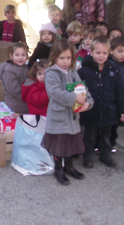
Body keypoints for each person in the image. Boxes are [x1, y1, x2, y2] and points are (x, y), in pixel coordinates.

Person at [42, 39, 93, 185]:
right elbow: (54, 93)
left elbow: (81, 88)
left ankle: (69, 166)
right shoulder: (51, 73)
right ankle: (58, 169)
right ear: (55, 57)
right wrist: (73, 97)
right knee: (59, 146)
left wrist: (88, 101)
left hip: (72, 116)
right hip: (59, 116)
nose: (65, 61)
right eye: (62, 58)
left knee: (70, 143)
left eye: (68, 58)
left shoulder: (72, 72)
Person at [78, 37, 124, 168]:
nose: (101, 56)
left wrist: (123, 110)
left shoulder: (113, 70)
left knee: (106, 135)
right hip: (90, 111)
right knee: (89, 136)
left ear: (109, 53)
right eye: (98, 53)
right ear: (91, 52)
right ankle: (87, 156)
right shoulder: (84, 71)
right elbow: (78, 90)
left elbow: (120, 91)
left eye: (104, 53)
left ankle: (105, 154)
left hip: (108, 110)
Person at [0, 43, 29, 114]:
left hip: (24, 100)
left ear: (27, 56)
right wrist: (30, 98)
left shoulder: (25, 67)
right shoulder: (9, 72)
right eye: (17, 55)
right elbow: (15, 91)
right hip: (16, 104)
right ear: (11, 56)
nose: (20, 57)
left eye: (23, 55)